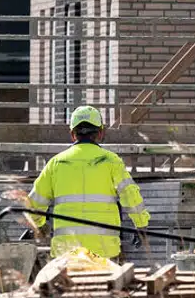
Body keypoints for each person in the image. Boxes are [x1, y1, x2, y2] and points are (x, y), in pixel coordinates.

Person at [26, 105, 150, 259]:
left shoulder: (56, 164)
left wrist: (39, 225)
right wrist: (141, 225)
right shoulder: (111, 161)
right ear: (100, 133)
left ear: (72, 134)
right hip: (104, 252)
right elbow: (130, 196)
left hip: (66, 254)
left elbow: (33, 205)